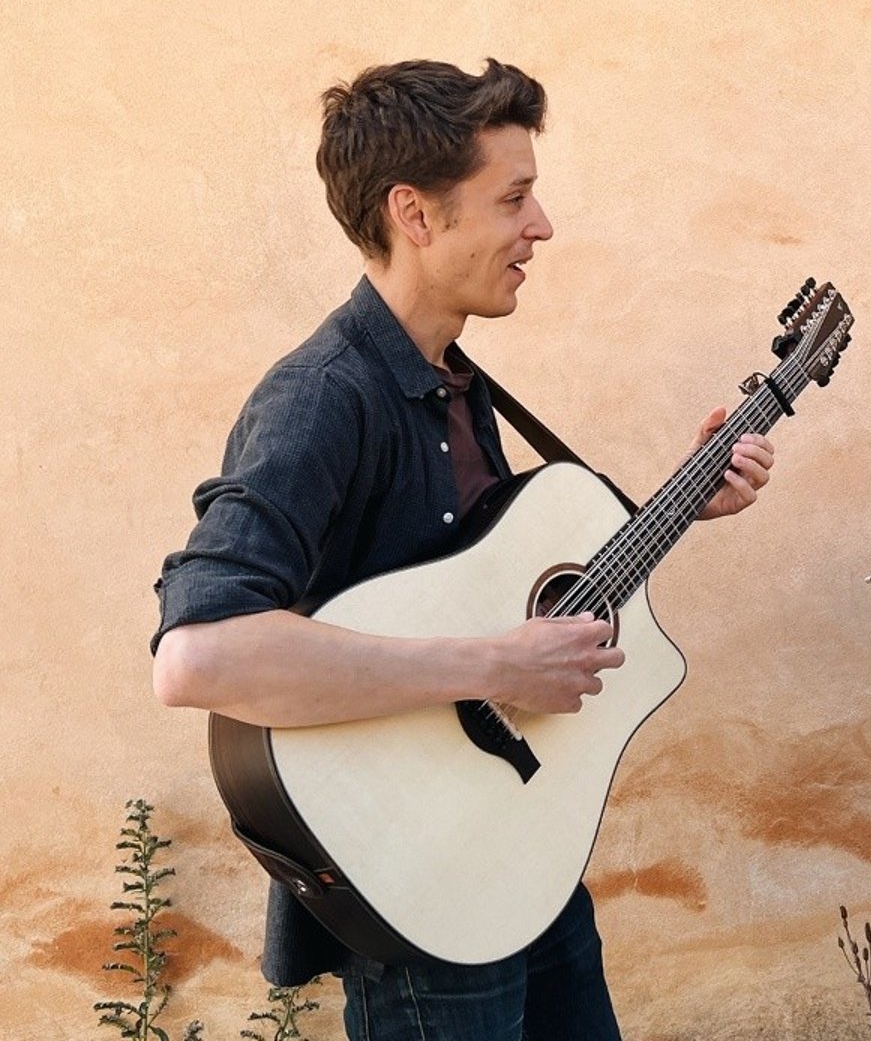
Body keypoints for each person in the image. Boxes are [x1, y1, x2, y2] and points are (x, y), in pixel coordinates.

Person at [149, 58, 775, 1041]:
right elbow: (198, 655)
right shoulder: (322, 398)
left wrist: (687, 500)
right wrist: (493, 664)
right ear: (417, 214)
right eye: (514, 198)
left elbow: (483, 573)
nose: (543, 226)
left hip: (517, 851)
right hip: (422, 889)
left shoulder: (451, 377)